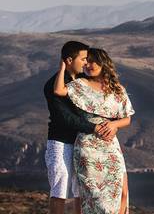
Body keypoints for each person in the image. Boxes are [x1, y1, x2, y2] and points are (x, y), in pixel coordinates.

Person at [53, 47, 135, 214]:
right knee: (95, 197)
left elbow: (127, 118)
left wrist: (114, 125)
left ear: (103, 63)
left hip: (110, 146)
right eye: (86, 61)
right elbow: (58, 90)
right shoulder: (80, 85)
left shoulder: (117, 89)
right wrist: (62, 68)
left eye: (92, 61)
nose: (88, 65)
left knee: (121, 193)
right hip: (88, 146)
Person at [43, 41, 115, 214]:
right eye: (83, 59)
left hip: (82, 143)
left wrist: (112, 124)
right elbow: (65, 118)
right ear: (69, 60)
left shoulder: (84, 81)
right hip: (60, 143)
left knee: (80, 189)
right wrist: (95, 128)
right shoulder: (53, 85)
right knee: (60, 188)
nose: (86, 63)